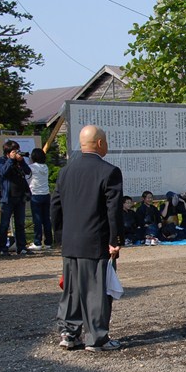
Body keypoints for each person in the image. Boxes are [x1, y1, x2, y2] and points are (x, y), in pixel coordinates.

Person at [51, 125, 124, 352]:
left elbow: (55, 206)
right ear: (100, 143)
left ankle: (69, 334)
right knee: (95, 291)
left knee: (71, 290)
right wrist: (115, 239)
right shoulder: (109, 172)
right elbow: (113, 210)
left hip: (71, 242)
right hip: (95, 240)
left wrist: (60, 235)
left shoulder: (65, 172)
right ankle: (97, 338)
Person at [0, 140, 31, 255]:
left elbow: (27, 172)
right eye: (14, 151)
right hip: (7, 198)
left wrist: (21, 162)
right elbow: (3, 172)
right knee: (4, 223)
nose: (17, 153)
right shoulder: (1, 161)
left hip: (20, 197)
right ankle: (2, 248)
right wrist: (11, 160)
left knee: (20, 223)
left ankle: (21, 247)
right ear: (8, 152)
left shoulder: (18, 162)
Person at [26, 148, 53, 250]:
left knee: (37, 219)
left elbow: (28, 176)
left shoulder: (31, 167)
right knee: (46, 219)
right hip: (46, 194)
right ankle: (48, 242)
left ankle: (37, 242)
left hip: (36, 195)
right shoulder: (45, 167)